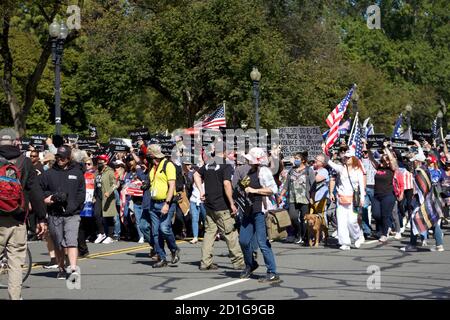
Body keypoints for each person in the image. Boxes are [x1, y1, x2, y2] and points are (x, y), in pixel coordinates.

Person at [0, 128, 47, 300]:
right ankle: (15, 296)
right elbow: (35, 193)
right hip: (17, 218)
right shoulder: (25, 162)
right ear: (15, 142)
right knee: (15, 263)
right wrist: (42, 218)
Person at [40, 145, 85, 280]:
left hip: (72, 214)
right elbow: (40, 190)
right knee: (58, 243)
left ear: (69, 157)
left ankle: (73, 269)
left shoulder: (77, 173)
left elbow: (81, 192)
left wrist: (75, 206)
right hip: (55, 214)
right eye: (59, 156)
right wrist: (49, 198)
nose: (61, 159)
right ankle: (61, 268)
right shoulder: (48, 173)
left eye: (64, 157)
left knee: (71, 241)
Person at [193, 151, 245, 271]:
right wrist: (231, 203)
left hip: (210, 205)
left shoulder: (208, 164)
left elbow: (196, 174)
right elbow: (227, 184)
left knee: (209, 233)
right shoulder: (226, 165)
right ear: (225, 152)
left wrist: (201, 191)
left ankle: (205, 262)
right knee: (230, 234)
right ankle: (238, 262)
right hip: (222, 206)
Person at [238, 148, 281, 283]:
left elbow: (274, 189)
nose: (247, 160)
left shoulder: (264, 171)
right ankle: (250, 264)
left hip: (260, 211)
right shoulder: (250, 171)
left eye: (250, 158)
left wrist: (254, 190)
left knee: (262, 243)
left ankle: (272, 272)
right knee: (243, 241)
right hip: (248, 210)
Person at [401, 153, 445, 252]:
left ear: (418, 161)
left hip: (424, 200)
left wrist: (422, 203)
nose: (412, 163)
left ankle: (413, 244)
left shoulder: (420, 172)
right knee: (432, 221)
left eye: (414, 161)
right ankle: (439, 244)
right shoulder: (426, 170)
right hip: (430, 198)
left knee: (415, 219)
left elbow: (422, 189)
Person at [147, 144, 180, 268]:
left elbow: (172, 185)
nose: (148, 158)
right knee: (156, 233)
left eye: (149, 156)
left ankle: (174, 248)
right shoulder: (153, 167)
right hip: (153, 202)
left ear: (154, 155)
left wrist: (166, 203)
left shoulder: (168, 165)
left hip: (166, 202)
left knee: (164, 228)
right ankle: (162, 258)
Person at [325, 150, 365, 250]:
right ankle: (345, 242)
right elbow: (330, 163)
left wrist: (362, 198)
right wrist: (324, 152)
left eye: (349, 157)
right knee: (341, 222)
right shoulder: (341, 169)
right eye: (345, 157)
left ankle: (357, 237)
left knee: (352, 221)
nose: (346, 159)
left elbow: (361, 186)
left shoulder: (358, 170)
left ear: (353, 158)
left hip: (353, 200)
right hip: (341, 199)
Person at [278, 152, 315, 244]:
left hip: (304, 198)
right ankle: (298, 232)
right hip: (292, 198)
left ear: (303, 160)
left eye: (297, 158)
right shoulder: (291, 170)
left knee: (304, 218)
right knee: (292, 217)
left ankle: (304, 236)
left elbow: (313, 185)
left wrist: (312, 197)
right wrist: (281, 195)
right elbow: (286, 185)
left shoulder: (308, 170)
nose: (295, 160)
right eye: (295, 158)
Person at [96, 155, 118, 244]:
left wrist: (109, 192)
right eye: (98, 160)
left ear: (105, 162)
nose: (99, 162)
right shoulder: (97, 171)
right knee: (96, 214)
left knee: (108, 216)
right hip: (98, 196)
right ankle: (102, 233)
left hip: (107, 197)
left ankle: (110, 236)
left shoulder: (110, 171)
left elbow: (115, 184)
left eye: (101, 160)